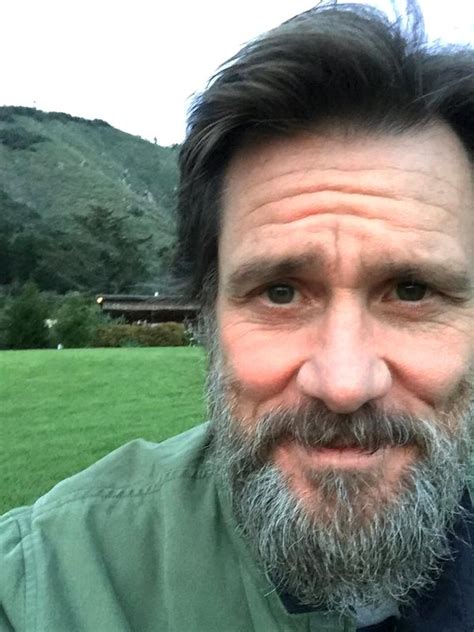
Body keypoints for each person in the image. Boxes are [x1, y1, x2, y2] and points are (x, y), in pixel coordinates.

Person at [1, 2, 473, 630]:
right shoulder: (45, 582)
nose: (343, 384)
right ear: (208, 314)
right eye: (280, 293)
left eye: (412, 290)